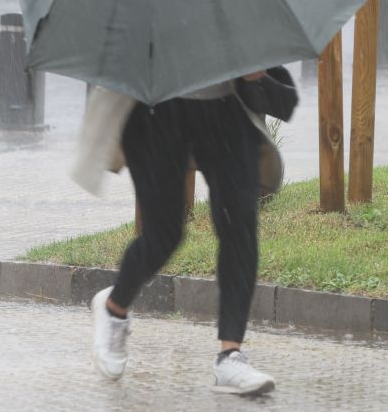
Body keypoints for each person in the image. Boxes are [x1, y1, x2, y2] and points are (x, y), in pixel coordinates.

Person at [73, 69, 297, 396]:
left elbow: (282, 92)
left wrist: (255, 77)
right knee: (164, 234)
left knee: (239, 225)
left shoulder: (236, 17)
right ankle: (114, 307)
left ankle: (230, 356)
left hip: (225, 107)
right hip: (155, 110)